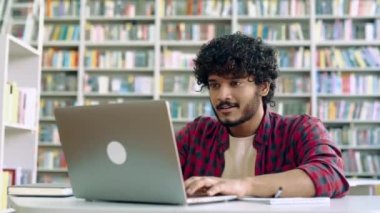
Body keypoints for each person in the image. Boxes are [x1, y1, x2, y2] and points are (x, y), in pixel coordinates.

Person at [175, 32, 349, 198]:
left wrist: (243, 186)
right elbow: (155, 175)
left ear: (263, 87)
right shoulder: (197, 134)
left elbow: (331, 174)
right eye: (215, 85)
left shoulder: (300, 129)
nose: (222, 95)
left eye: (235, 83)